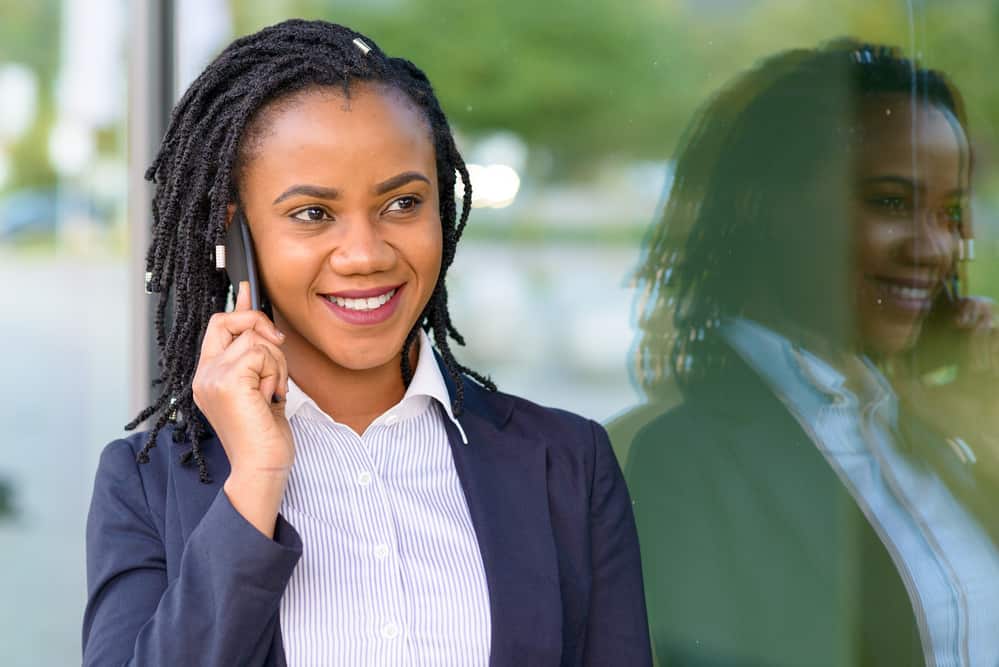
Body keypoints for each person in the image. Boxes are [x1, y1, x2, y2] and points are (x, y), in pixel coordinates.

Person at [82, 20, 650, 666]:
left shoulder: (568, 465)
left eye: (403, 203)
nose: (364, 254)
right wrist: (256, 481)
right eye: (312, 214)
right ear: (238, 240)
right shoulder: (145, 485)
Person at [623, 41, 999, 666]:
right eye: (890, 202)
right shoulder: (684, 460)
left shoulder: (918, 430)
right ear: (763, 206)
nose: (935, 248)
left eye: (950, 213)